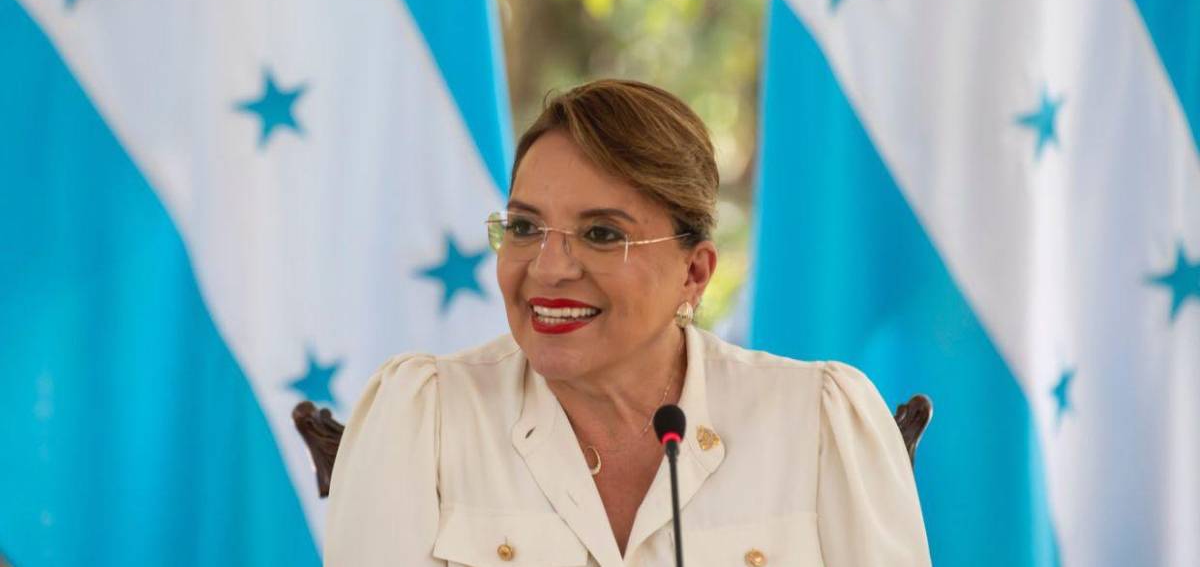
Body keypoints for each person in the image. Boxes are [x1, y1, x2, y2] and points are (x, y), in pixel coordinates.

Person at [324, 79, 931, 566]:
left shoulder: (817, 422)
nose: (548, 268)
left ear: (694, 272)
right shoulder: (426, 420)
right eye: (525, 227)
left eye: (601, 234)